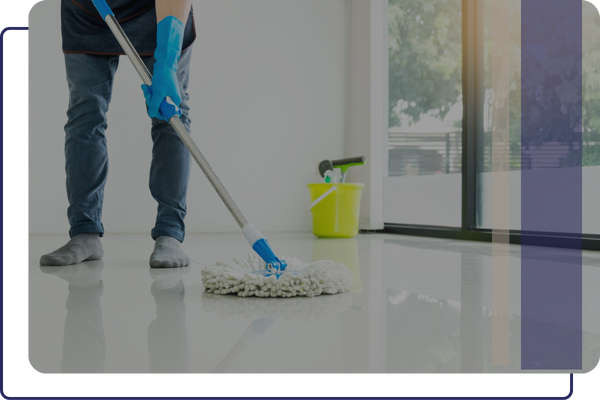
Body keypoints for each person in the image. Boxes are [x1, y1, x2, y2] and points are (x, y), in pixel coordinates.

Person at [40, 0, 195, 268]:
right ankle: (84, 232)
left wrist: (167, 61)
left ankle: (169, 235)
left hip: (155, 11)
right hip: (87, 9)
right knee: (85, 114)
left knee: (170, 113)